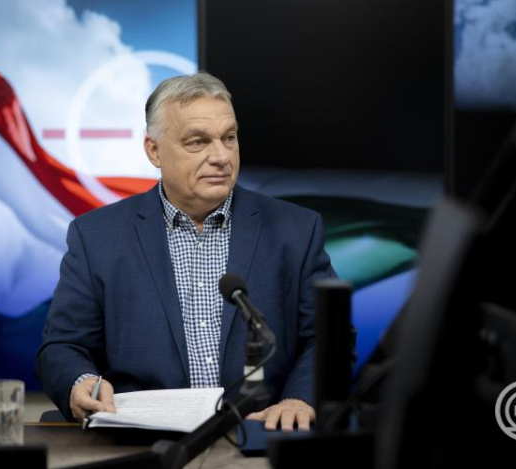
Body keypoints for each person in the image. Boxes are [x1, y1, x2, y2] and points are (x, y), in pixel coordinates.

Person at [36, 72, 336, 432]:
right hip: (144, 441)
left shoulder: (296, 230)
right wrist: (79, 382)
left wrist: (300, 399)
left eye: (229, 138)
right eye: (198, 142)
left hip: (260, 436)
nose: (221, 156)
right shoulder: (97, 237)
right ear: (154, 151)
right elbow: (63, 347)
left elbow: (329, 337)